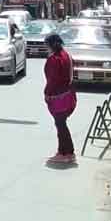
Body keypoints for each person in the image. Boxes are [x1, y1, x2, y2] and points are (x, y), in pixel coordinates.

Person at [43, 33, 77, 165]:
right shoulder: (66, 55)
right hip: (68, 95)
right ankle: (63, 151)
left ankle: (67, 153)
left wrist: (47, 93)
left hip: (58, 97)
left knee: (61, 125)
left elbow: (53, 80)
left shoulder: (55, 59)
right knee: (61, 124)